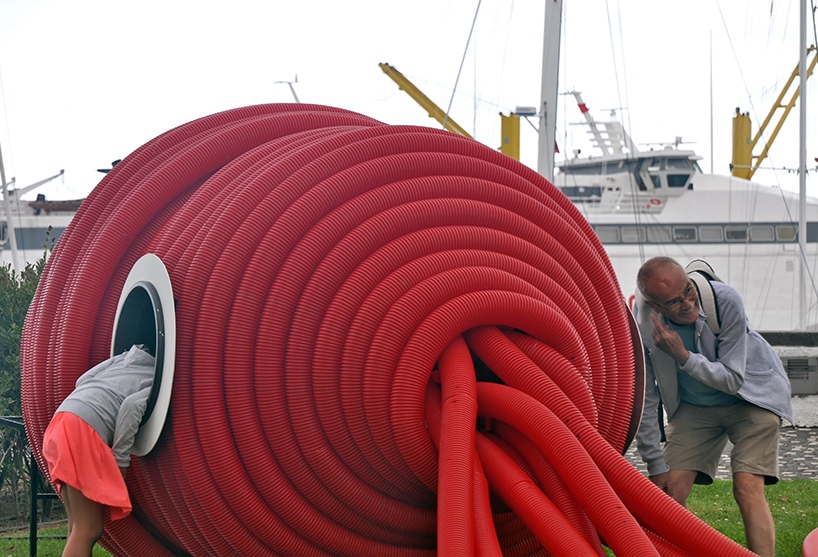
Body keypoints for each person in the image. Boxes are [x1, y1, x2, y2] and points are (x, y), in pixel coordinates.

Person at [633, 256, 792, 557]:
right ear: (655, 307)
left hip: (752, 398)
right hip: (696, 407)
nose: (687, 303)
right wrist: (655, 464)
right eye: (674, 301)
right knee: (666, 494)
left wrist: (684, 357)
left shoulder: (725, 300)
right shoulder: (642, 324)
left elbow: (733, 379)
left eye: (688, 291)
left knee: (746, 487)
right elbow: (646, 397)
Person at [42, 344, 155, 557]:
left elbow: (82, 381)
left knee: (76, 526)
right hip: (83, 429)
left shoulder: (123, 359)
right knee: (89, 529)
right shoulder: (156, 378)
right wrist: (120, 460)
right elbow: (131, 407)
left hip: (61, 421)